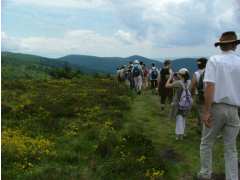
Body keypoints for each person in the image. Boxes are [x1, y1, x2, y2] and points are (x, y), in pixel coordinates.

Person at [198, 31, 240, 180]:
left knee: (207, 143)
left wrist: (207, 111)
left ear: (221, 45)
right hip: (234, 110)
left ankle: (205, 175)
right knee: (231, 149)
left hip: (217, 108)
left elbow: (209, 86)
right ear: (235, 45)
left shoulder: (214, 60)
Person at [165, 68, 192, 140]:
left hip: (178, 103)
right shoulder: (190, 82)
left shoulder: (178, 83)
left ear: (181, 75)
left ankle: (178, 135)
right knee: (184, 118)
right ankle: (183, 133)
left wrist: (170, 77)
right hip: (187, 103)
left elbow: (167, 85)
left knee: (179, 119)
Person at [191, 58, 208, 129]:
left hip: (199, 95)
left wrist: (192, 94)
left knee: (200, 112)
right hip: (210, 95)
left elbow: (192, 85)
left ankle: (203, 129)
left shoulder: (197, 73)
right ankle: (199, 126)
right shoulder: (210, 72)